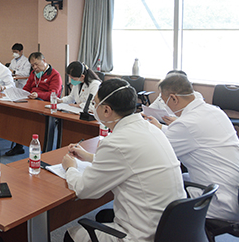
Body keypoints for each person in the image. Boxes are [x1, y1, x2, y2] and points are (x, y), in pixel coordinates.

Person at [62, 78, 185, 242]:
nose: (93, 108)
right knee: (103, 215)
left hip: (143, 235)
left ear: (106, 110)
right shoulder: (150, 129)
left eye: (95, 104)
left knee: (71, 235)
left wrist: (71, 168)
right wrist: (89, 157)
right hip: (172, 227)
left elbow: (84, 190)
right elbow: (130, 162)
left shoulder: (115, 142)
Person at [145, 73, 239, 221]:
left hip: (220, 202)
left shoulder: (187, 124)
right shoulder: (215, 111)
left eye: (164, 100)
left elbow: (158, 150)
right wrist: (161, 128)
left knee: (160, 184)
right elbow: (190, 136)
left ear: (174, 98)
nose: (165, 105)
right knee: (181, 177)